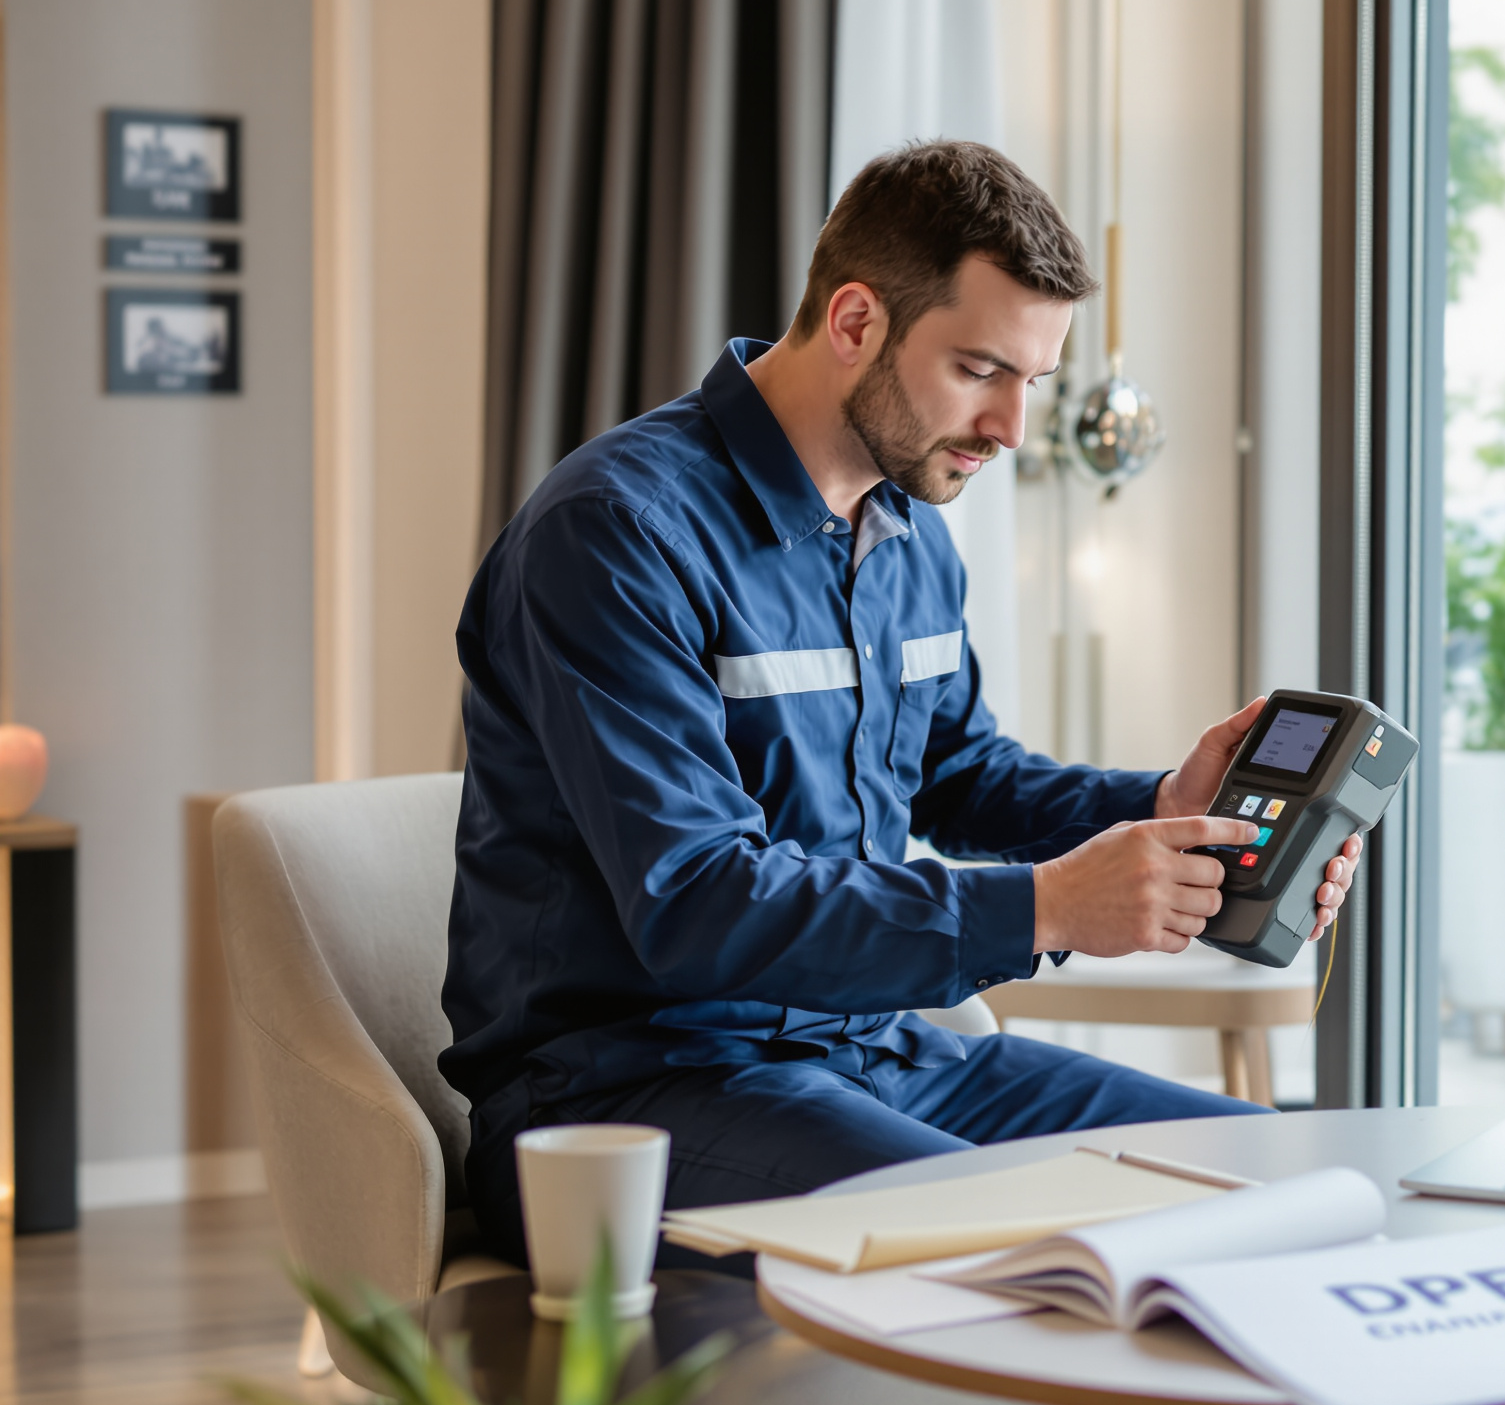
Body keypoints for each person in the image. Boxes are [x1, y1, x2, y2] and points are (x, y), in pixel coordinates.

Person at [444, 140, 1361, 1264]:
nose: (1014, 428)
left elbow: (960, 774)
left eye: (1036, 381)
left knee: (1281, 1184)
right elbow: (696, 902)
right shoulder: (615, 533)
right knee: (1010, 1255)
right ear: (855, 321)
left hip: (873, 1052)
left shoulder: (908, 529)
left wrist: (1170, 807)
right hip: (629, 1093)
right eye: (981, 369)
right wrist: (1046, 908)